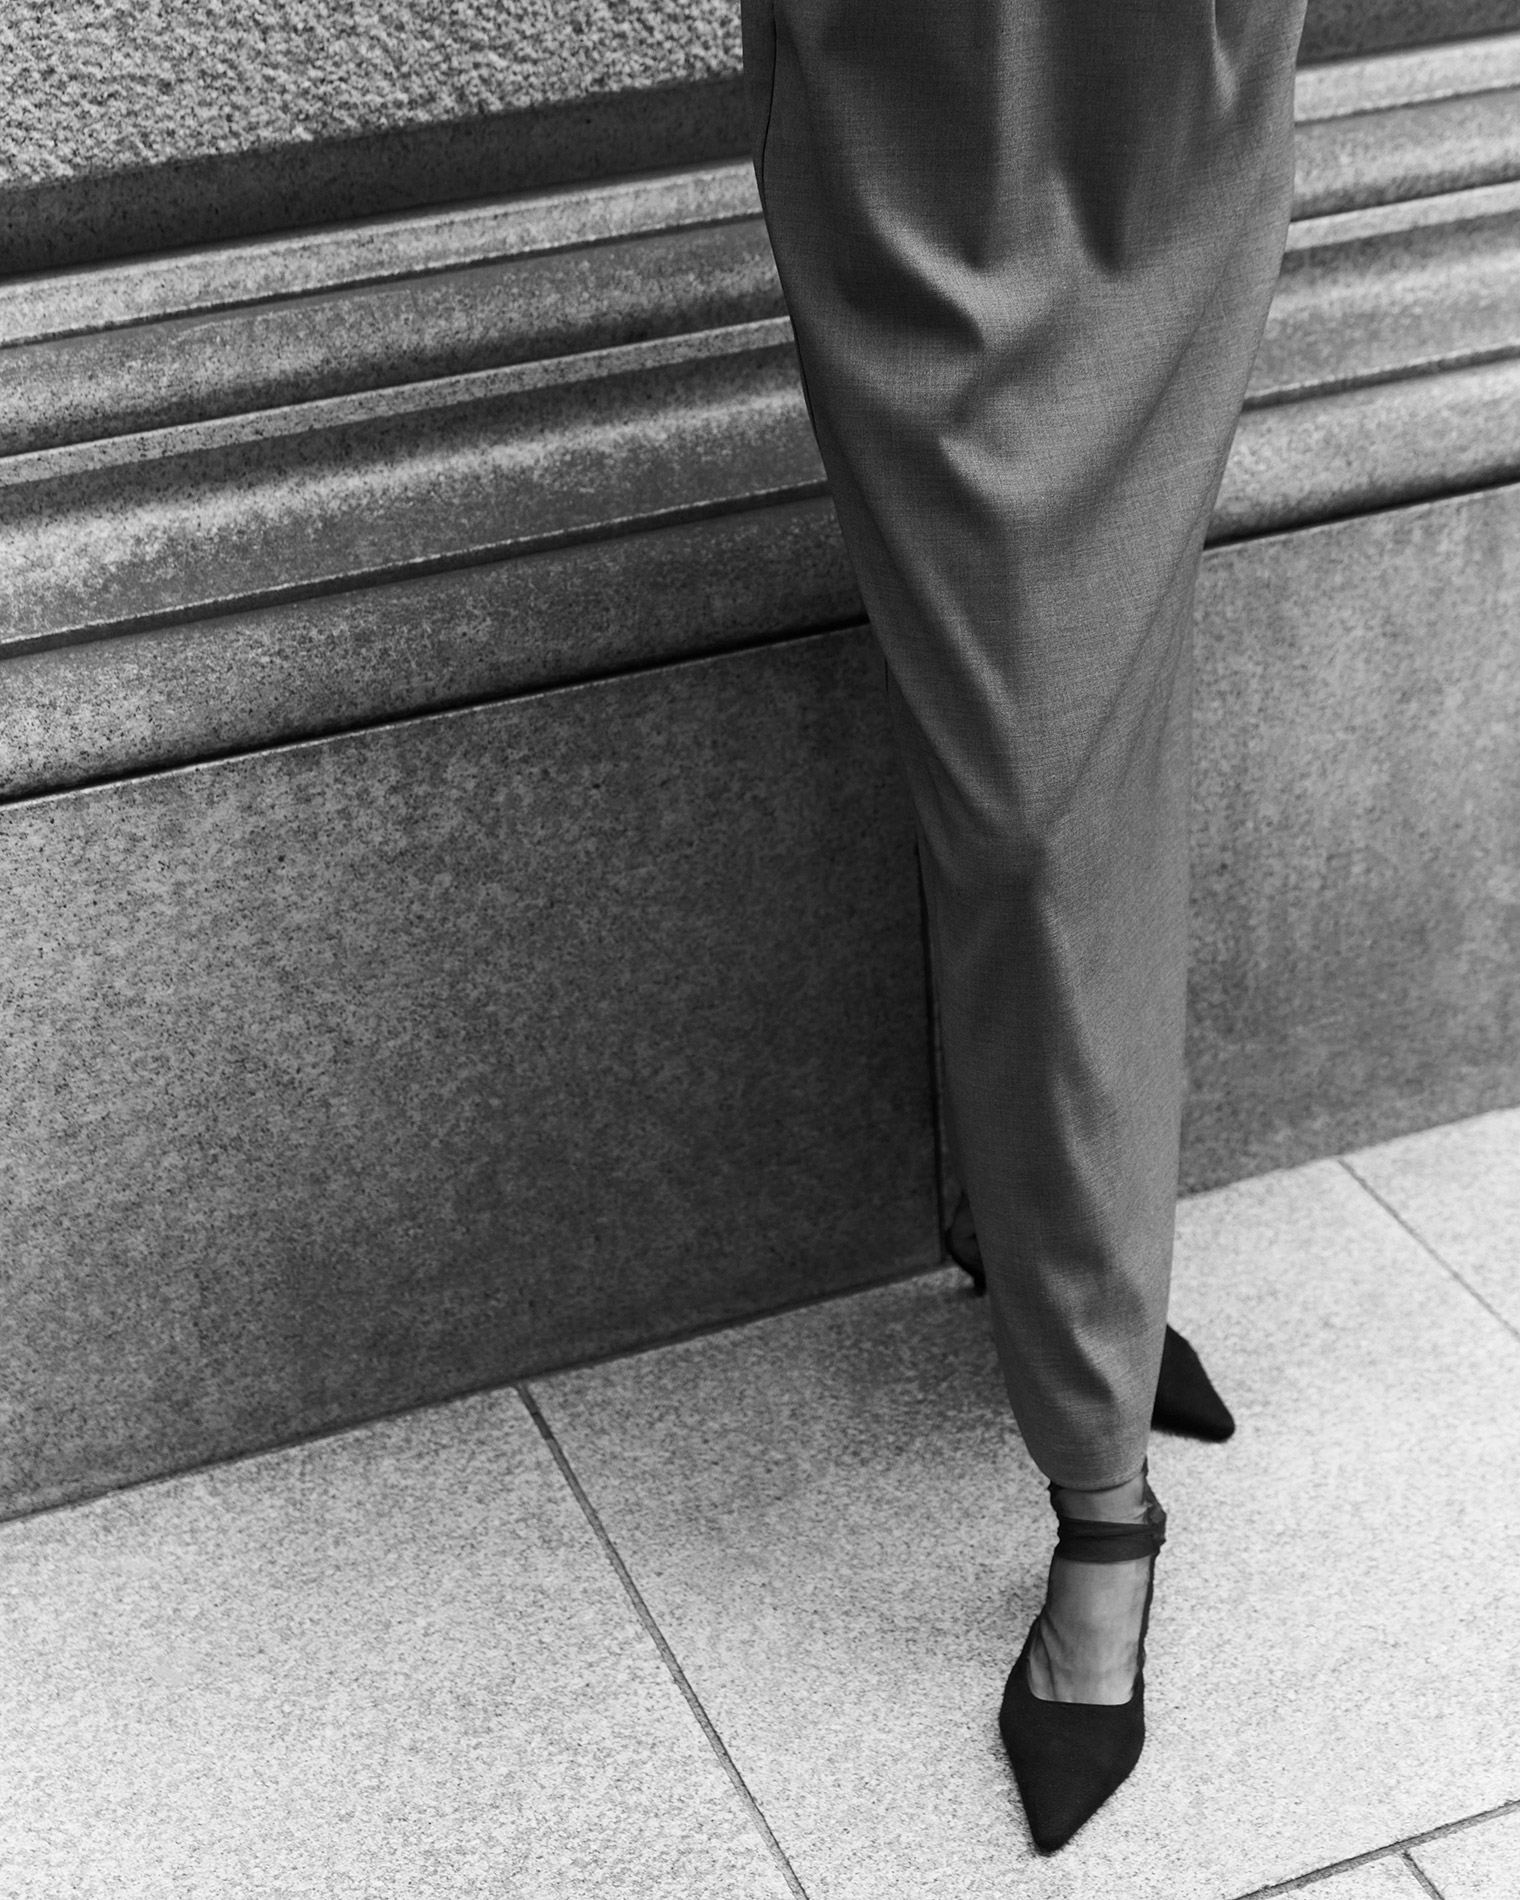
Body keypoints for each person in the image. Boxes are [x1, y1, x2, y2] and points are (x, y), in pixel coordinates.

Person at [740, 0, 1308, 1852]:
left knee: (1086, 731)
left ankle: (1095, 1409)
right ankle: (1084, 1371)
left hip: (1165, 73)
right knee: (1025, 777)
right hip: (920, 88)